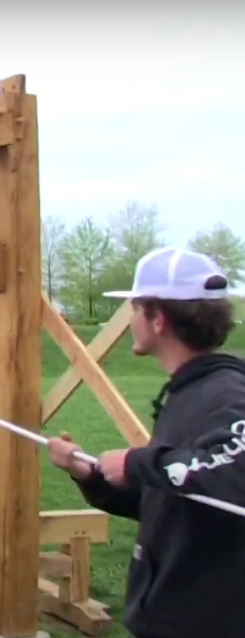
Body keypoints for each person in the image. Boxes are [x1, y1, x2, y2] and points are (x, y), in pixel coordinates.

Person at [46, 246, 245, 638]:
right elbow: (179, 498)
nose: (130, 317)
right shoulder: (188, 391)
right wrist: (92, 477)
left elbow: (236, 474)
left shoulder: (226, 393)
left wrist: (138, 463)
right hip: (168, 617)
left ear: (157, 318)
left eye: (135, 307)